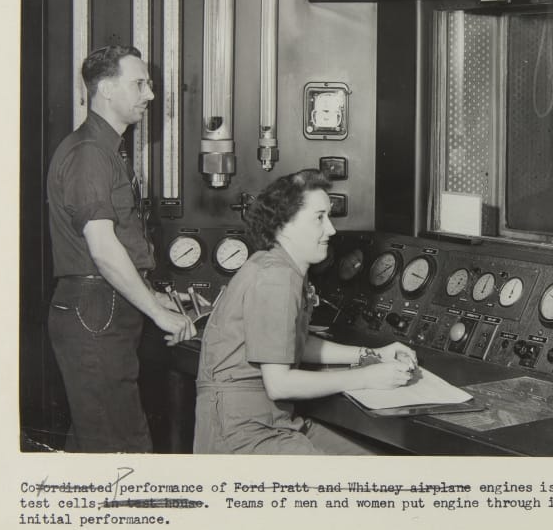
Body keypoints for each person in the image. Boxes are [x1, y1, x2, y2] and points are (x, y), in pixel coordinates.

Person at [193, 169, 418, 455]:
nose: (331, 230)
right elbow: (279, 384)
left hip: (272, 419)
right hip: (241, 431)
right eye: (319, 218)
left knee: (372, 463)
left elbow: (292, 344)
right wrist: (368, 377)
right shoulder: (276, 277)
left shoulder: (280, 266)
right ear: (285, 225)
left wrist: (372, 354)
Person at [46, 45, 195, 453]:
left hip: (102, 309)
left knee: (96, 443)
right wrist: (158, 313)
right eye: (140, 84)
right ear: (107, 89)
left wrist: (152, 295)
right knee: (122, 450)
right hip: (97, 310)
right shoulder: (90, 155)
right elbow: (104, 250)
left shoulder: (104, 152)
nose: (151, 94)